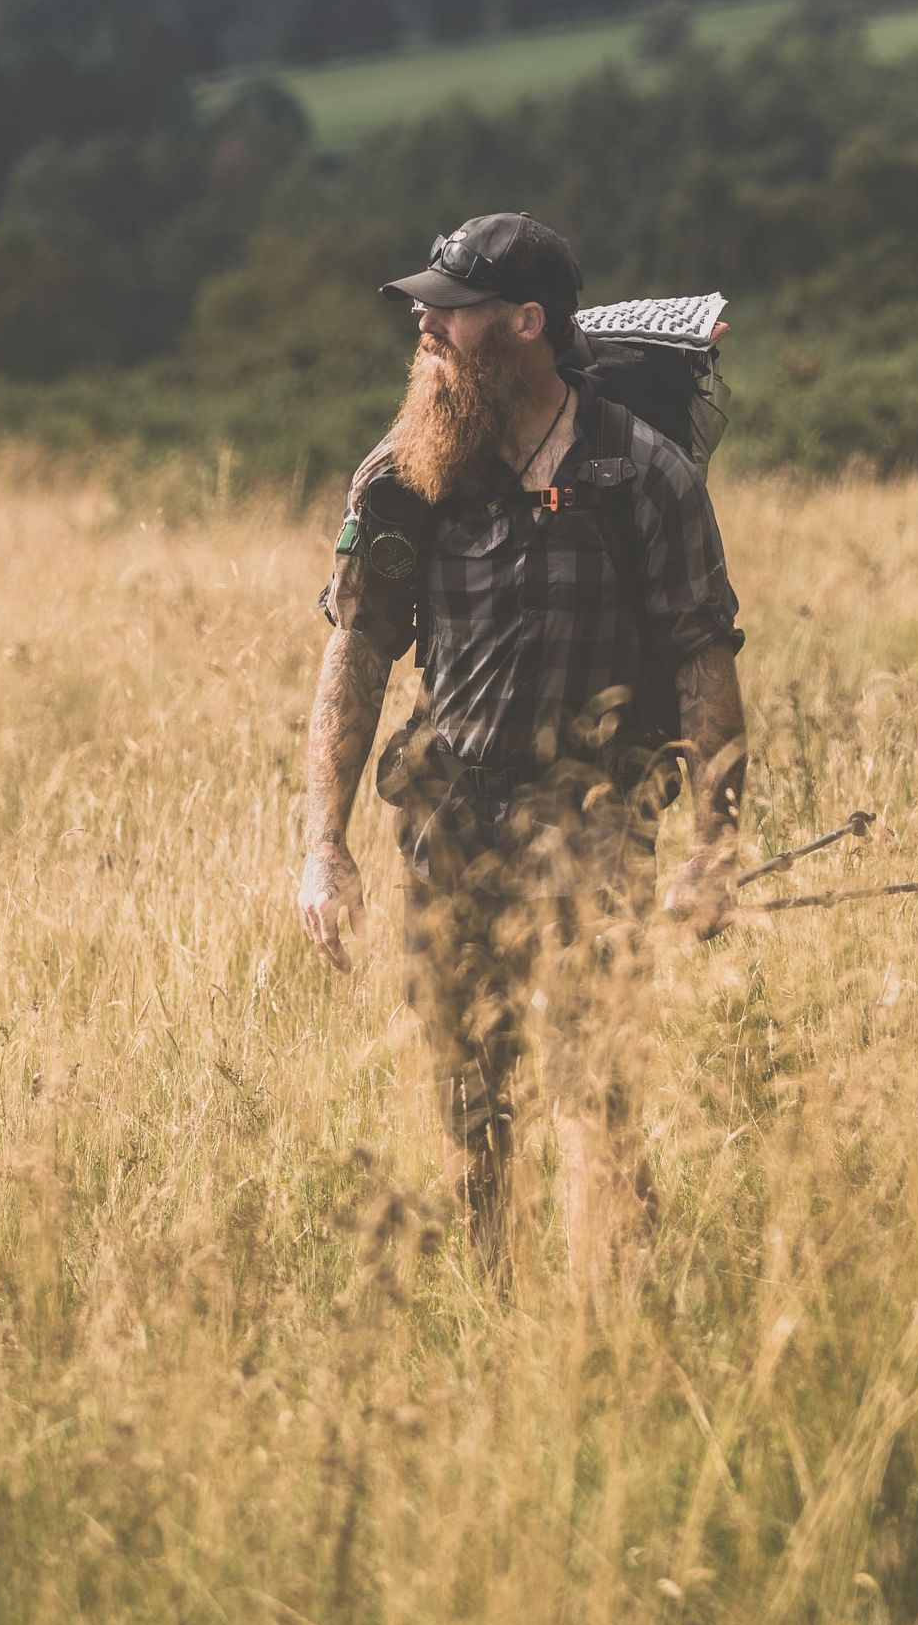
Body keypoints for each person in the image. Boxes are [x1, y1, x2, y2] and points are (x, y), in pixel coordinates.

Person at [296, 210, 748, 1284]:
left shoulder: (644, 477)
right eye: (426, 309)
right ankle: (494, 1318)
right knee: (470, 1106)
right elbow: (357, 655)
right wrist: (326, 845)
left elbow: (702, 660)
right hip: (449, 828)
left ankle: (607, 1336)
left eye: (451, 313)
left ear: (527, 324)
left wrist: (712, 851)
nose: (425, 326)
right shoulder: (403, 476)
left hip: (599, 824)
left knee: (598, 1096)